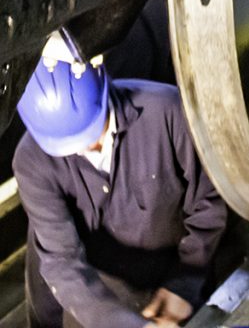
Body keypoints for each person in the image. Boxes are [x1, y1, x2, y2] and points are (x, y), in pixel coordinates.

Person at [13, 35, 227, 328]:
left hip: (173, 281)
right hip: (98, 302)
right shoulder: (32, 161)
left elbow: (209, 203)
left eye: (91, 133)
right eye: (69, 146)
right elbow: (61, 262)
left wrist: (185, 283)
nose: (85, 148)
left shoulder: (168, 112)